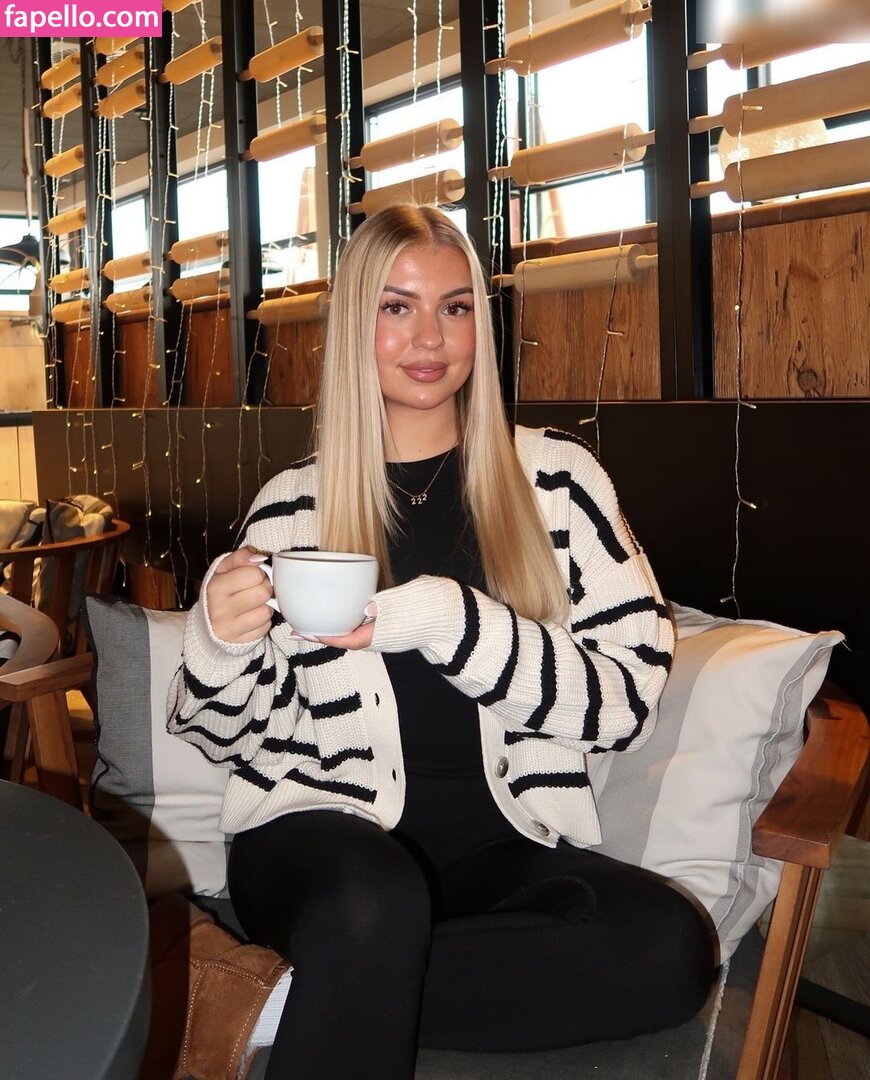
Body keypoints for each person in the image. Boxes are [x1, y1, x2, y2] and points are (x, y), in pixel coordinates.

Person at [168, 203, 715, 1079]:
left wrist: (450, 622)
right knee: (372, 906)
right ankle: (352, 965)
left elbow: (625, 703)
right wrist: (218, 646)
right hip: (322, 843)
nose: (430, 337)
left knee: (668, 945)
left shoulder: (558, 481)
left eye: (455, 307)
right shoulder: (292, 505)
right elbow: (229, 738)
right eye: (397, 307)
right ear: (358, 324)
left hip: (504, 847)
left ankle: (290, 996)